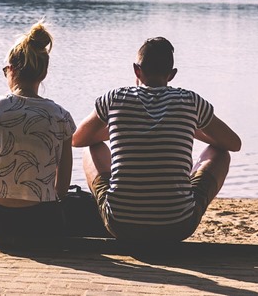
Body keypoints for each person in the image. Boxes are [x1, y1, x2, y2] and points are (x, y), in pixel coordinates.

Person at [72, 37, 241, 242]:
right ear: (172, 75)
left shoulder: (115, 98)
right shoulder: (190, 101)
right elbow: (233, 144)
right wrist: (190, 126)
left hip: (121, 224)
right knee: (220, 152)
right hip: (178, 225)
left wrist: (122, 126)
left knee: (91, 147)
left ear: (136, 70)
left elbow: (78, 139)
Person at [0, 21, 75, 245]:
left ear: (11, 69)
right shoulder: (61, 116)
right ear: (44, 73)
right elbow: (62, 188)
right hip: (43, 224)